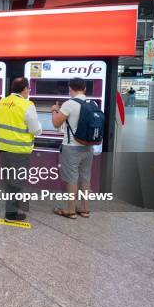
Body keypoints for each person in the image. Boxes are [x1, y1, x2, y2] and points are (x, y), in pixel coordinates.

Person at [0, 77, 42, 222]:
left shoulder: (1, 102)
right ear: (24, 89)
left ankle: (11, 207)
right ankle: (11, 214)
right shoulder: (27, 105)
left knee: (9, 180)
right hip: (19, 150)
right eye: (28, 89)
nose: (29, 91)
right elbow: (36, 130)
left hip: (3, 148)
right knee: (17, 182)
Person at [51, 78, 94, 219]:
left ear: (70, 89)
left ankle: (70, 210)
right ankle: (85, 209)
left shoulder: (69, 104)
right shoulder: (92, 103)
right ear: (85, 89)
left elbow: (56, 124)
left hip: (72, 147)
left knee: (72, 179)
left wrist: (54, 111)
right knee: (85, 178)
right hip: (88, 147)